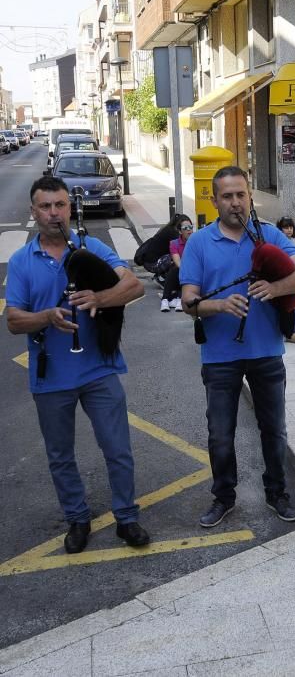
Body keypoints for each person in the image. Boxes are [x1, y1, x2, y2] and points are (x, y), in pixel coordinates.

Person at [6, 175, 150, 554]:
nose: (54, 214)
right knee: (60, 455)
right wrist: (48, 317)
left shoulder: (92, 247)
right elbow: (13, 320)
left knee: (117, 447)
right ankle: (77, 518)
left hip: (99, 369)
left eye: (60, 205)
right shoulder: (22, 261)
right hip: (52, 373)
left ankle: (127, 517)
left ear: (70, 208)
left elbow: (134, 286)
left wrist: (100, 297)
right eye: (46, 207)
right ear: (33, 211)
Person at [180, 166, 295, 528]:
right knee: (220, 434)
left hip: (267, 352)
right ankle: (223, 497)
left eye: (241, 195)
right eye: (227, 196)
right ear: (214, 201)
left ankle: (278, 494)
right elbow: (188, 301)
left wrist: (275, 289)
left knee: (274, 430)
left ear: (250, 197)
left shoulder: (268, 235)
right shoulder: (198, 243)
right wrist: (220, 305)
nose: (235, 202)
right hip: (220, 356)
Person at [160, 214, 193, 312]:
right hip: (182, 270)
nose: (189, 230)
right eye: (185, 228)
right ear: (180, 231)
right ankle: (166, 299)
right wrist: (186, 271)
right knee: (175, 269)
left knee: (178, 271)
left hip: (195, 271)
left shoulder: (196, 241)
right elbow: (177, 261)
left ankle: (177, 298)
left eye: (190, 227)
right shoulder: (174, 243)